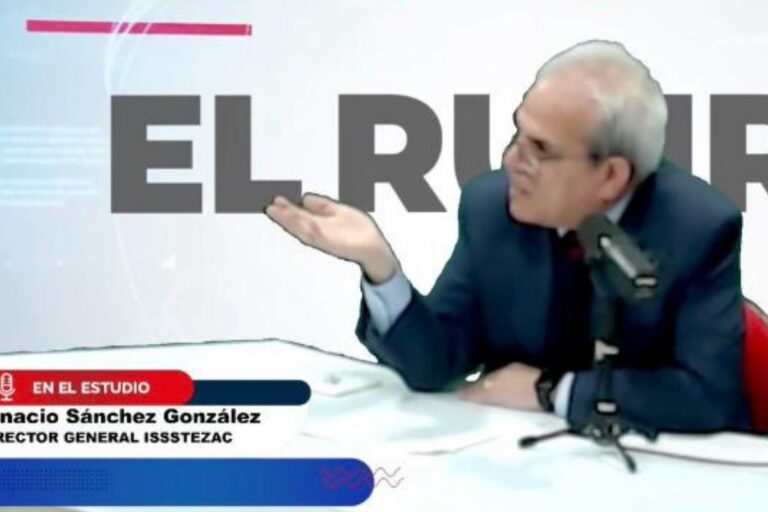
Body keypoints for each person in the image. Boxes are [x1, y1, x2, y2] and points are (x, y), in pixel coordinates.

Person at [265, 40, 750, 432]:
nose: (512, 161)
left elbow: (706, 397)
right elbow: (437, 364)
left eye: (540, 149)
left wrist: (550, 391)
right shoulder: (491, 208)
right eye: (517, 135)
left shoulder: (698, 228)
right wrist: (380, 267)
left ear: (610, 176)